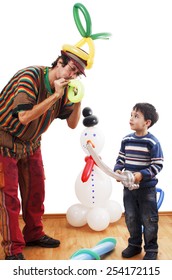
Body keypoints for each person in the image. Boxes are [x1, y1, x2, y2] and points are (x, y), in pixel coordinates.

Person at [0, 48, 87, 260]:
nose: (72, 76)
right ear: (59, 62)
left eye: (77, 74)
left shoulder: (65, 90)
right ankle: (13, 250)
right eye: (71, 69)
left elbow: (72, 125)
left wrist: (78, 99)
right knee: (9, 198)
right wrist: (55, 95)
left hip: (31, 143)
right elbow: (24, 117)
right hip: (4, 141)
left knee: (36, 190)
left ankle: (34, 234)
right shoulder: (29, 78)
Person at [113, 103, 164, 260]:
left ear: (147, 122)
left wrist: (141, 175)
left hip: (146, 190)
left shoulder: (152, 142)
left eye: (136, 116)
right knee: (131, 217)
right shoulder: (126, 140)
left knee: (149, 220)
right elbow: (121, 159)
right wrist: (118, 170)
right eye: (131, 115)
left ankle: (151, 249)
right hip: (129, 189)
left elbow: (158, 164)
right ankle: (134, 245)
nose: (131, 118)